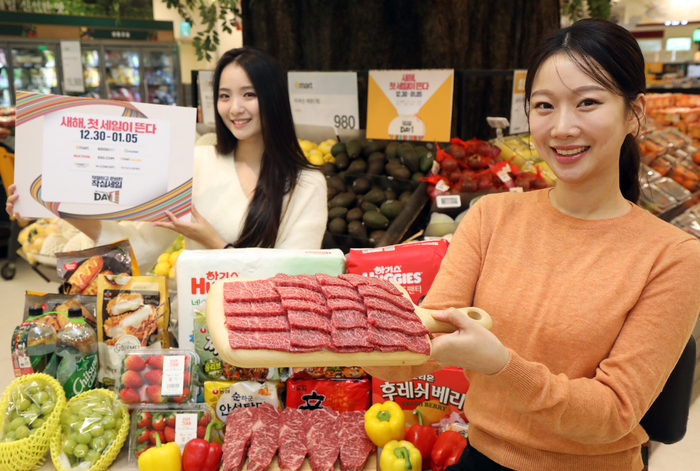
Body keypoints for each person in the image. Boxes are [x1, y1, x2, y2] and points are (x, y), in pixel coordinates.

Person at [365, 19, 700, 471]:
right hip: (480, 457)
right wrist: (351, 330)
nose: (562, 127)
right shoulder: (491, 217)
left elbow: (613, 413)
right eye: (544, 106)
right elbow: (420, 347)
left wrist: (502, 365)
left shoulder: (673, 256)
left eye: (587, 102)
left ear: (634, 113)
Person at [6, 47, 327, 270]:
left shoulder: (307, 184)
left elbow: (294, 278)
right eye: (224, 96)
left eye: (249, 94)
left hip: (272, 345)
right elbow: (140, 251)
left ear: (273, 99)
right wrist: (53, 202)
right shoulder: (194, 164)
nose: (235, 108)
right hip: (203, 329)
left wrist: (211, 240)